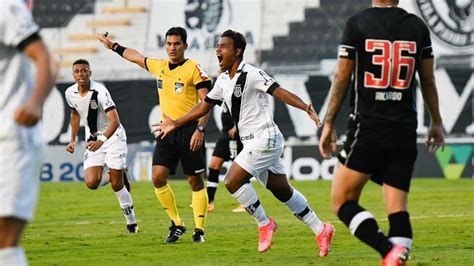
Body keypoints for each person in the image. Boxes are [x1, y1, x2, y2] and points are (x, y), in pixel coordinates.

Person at [156, 29, 335, 255]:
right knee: (282, 191)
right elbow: (204, 106)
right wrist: (176, 123)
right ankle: (321, 229)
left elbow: (278, 91)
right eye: (218, 46)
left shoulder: (251, 73)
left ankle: (264, 224)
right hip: (251, 142)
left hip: (265, 137)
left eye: (223, 46)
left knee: (232, 181)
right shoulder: (222, 81)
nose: (218, 50)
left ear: (237, 51)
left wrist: (306, 107)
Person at [318, 0, 445, 265]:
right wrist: (436, 122)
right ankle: (397, 256)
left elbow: (342, 78)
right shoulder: (416, 26)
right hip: (405, 128)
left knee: (342, 200)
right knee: (397, 206)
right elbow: (428, 80)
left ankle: (387, 249)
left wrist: (328, 124)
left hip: (368, 127)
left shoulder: (357, 24)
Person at [97, 27, 212, 243]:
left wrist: (200, 129)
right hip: (166, 130)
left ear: (185, 45)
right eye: (169, 44)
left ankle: (199, 230)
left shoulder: (193, 68)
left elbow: (207, 103)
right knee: (158, 177)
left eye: (177, 43)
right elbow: (137, 57)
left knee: (195, 181)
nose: (172, 48)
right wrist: (113, 46)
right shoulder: (159, 66)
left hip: (189, 131)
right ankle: (177, 223)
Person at [0, 0, 57, 264]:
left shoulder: (7, 8)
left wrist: (35, 103)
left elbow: (45, 57)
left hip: (11, 139)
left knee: (4, 243)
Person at [65, 59, 138, 234]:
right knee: (91, 182)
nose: (81, 74)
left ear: (90, 73)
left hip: (113, 137)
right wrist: (73, 139)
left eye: (84, 71)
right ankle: (118, 174)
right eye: (77, 71)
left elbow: (115, 121)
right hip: (94, 139)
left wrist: (102, 140)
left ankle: (131, 223)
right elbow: (75, 113)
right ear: (73, 74)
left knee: (116, 184)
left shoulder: (100, 92)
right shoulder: (70, 93)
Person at [206, 105, 246, 213]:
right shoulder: (222, 93)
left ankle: (245, 203)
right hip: (225, 136)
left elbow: (246, 113)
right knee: (213, 166)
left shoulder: (239, 93)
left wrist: (236, 127)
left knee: (240, 170)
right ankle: (209, 202)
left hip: (237, 137)